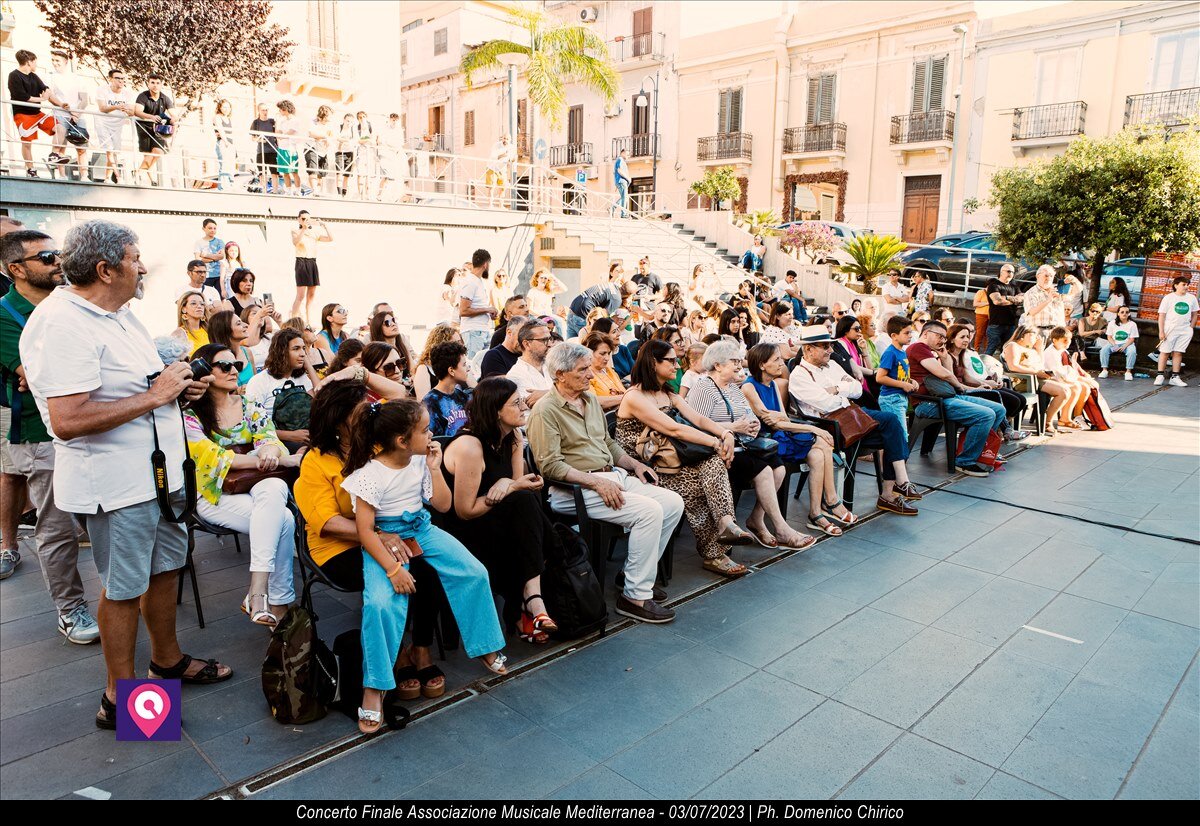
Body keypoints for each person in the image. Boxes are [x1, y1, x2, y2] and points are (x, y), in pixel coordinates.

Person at [19, 220, 232, 731]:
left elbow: (136, 387)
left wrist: (178, 389)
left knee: (163, 572)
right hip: (115, 488)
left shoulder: (118, 314)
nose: (142, 267)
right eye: (135, 258)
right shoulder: (62, 323)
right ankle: (121, 699)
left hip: (155, 478)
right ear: (105, 268)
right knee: (122, 587)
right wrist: (156, 397)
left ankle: (168, 661)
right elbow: (67, 420)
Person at [341, 398, 508, 733]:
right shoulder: (369, 475)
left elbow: (443, 505)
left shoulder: (420, 461)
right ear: (403, 440)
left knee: (474, 573)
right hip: (384, 538)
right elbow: (364, 532)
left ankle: (486, 646)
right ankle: (374, 688)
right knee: (379, 604)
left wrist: (433, 466)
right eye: (424, 429)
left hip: (422, 529)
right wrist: (392, 569)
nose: (432, 433)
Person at [295, 380, 451, 702]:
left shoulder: (377, 447)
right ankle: (396, 657)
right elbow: (327, 522)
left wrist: (363, 373)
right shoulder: (316, 460)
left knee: (427, 566)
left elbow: (405, 405)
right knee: (397, 570)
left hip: (390, 534)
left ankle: (420, 648)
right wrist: (378, 535)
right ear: (339, 419)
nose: (370, 409)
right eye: (361, 407)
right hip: (339, 548)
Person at [527, 343, 685, 623]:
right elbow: (549, 465)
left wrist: (635, 465)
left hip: (610, 475)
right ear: (560, 374)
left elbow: (607, 443)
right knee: (649, 512)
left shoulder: (588, 400)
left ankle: (632, 575)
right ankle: (634, 596)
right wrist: (596, 483)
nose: (591, 375)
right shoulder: (546, 410)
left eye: (589, 367)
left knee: (673, 503)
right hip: (573, 488)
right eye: (583, 369)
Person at [0, 229, 99, 639]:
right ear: (16, 269)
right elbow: (38, 378)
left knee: (103, 518)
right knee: (56, 526)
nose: (58, 261)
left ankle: (123, 599)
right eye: (46, 257)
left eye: (59, 253)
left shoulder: (72, 300)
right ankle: (70, 609)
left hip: (94, 422)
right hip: (40, 433)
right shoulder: (4, 315)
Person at [615, 340, 758, 576]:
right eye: (670, 360)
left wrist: (725, 432)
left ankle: (726, 523)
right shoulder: (634, 396)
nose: (676, 364)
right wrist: (715, 442)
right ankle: (714, 554)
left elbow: (698, 419)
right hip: (642, 468)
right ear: (653, 363)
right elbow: (674, 429)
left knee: (712, 463)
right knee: (697, 485)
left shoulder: (667, 394)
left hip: (671, 461)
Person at [183, 342, 302, 626]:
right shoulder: (189, 414)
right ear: (203, 372)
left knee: (274, 489)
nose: (234, 370)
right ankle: (279, 603)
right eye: (224, 366)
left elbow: (270, 439)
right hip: (213, 494)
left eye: (236, 365)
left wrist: (272, 453)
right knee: (283, 519)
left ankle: (258, 593)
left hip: (256, 484)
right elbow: (214, 459)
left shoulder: (249, 404)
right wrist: (275, 460)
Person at [441, 377, 560, 639]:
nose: (524, 407)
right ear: (496, 410)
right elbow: (465, 511)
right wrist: (512, 486)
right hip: (463, 529)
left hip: (500, 520)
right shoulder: (470, 447)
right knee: (546, 536)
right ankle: (529, 604)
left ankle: (527, 604)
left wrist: (514, 484)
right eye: (516, 403)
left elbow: (516, 490)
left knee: (528, 505)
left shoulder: (513, 436)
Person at [685, 339, 814, 550]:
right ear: (717, 365)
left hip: (740, 446)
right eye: (734, 361)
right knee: (763, 471)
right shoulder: (703, 388)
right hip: (714, 451)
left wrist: (752, 425)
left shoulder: (734, 389)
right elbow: (696, 426)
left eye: (739, 360)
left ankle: (756, 519)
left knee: (778, 468)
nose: (739, 365)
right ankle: (782, 529)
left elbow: (749, 416)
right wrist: (735, 427)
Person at [789, 326, 921, 514]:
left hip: (851, 417)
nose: (830, 350)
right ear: (808, 349)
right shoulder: (799, 375)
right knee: (892, 427)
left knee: (893, 430)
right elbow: (826, 404)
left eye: (830, 345)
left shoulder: (832, 365)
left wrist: (836, 389)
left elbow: (857, 389)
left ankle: (895, 489)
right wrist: (844, 390)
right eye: (825, 346)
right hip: (830, 429)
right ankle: (892, 491)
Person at [742, 342, 856, 536]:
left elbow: (781, 419)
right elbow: (773, 422)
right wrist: (812, 428)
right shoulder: (749, 387)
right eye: (776, 360)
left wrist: (780, 419)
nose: (782, 363)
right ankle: (830, 502)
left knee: (821, 451)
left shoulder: (774, 386)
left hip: (781, 434)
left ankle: (817, 511)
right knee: (822, 439)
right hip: (766, 441)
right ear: (762, 364)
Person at [908, 320, 1009, 474]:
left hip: (946, 397)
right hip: (929, 403)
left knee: (998, 409)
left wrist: (945, 359)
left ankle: (978, 452)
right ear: (926, 333)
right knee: (986, 415)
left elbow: (949, 374)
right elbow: (944, 375)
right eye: (939, 336)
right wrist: (960, 387)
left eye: (944, 337)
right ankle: (964, 461)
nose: (942, 340)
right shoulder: (918, 347)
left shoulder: (932, 352)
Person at [944, 323, 1028, 441]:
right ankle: (1005, 431)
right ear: (952, 339)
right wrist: (979, 388)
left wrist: (984, 384)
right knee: (995, 395)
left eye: (967, 337)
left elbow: (967, 377)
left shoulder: (962, 354)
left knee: (1020, 399)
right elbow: (952, 381)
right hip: (960, 392)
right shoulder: (947, 356)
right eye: (962, 337)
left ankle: (998, 430)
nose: (966, 340)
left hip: (968, 387)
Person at [7, 49, 75, 177]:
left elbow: (47, 92)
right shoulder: (14, 75)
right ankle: (30, 169)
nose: (36, 65)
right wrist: (42, 99)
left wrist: (61, 104)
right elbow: (23, 97)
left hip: (37, 113)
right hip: (22, 114)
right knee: (27, 142)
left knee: (60, 128)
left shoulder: (34, 76)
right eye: (35, 62)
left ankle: (54, 155)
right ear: (29, 62)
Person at [245, 327, 321, 438]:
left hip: (306, 432)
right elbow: (253, 425)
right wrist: (289, 436)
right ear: (282, 352)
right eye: (296, 349)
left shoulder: (301, 377)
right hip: (276, 438)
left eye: (303, 348)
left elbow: (320, 398)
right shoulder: (259, 381)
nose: (302, 353)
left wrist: (308, 366)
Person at [1003, 325, 1072, 434]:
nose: (1035, 338)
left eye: (1036, 335)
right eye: (1032, 335)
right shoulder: (1013, 346)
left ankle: (1048, 419)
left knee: (1068, 388)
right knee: (1063, 392)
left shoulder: (1030, 349)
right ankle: (1047, 421)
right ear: (1022, 335)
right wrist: (1035, 372)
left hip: (1036, 378)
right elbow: (1013, 366)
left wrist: (1039, 350)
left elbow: (1040, 365)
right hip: (1023, 381)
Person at [874, 316, 919, 443]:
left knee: (898, 435)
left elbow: (900, 374)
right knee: (900, 436)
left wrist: (910, 381)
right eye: (906, 333)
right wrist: (902, 385)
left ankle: (893, 461)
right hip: (891, 398)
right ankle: (897, 462)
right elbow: (880, 377)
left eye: (911, 332)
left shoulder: (902, 352)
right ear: (894, 335)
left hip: (900, 397)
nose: (910, 335)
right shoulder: (890, 353)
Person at [47, 51, 88, 176]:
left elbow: (84, 99)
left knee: (81, 147)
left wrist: (76, 114)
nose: (55, 63)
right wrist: (61, 105)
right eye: (53, 60)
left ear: (65, 61)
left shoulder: (76, 78)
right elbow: (50, 96)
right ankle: (62, 175)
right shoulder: (51, 76)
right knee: (61, 147)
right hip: (61, 114)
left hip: (78, 115)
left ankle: (84, 176)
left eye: (57, 60)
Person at [93, 68, 136, 184]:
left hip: (118, 124)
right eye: (117, 78)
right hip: (103, 122)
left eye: (122, 79)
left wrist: (127, 109)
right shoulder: (102, 90)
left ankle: (107, 178)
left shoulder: (128, 93)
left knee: (114, 151)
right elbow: (102, 108)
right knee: (109, 149)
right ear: (111, 79)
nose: (121, 81)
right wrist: (116, 107)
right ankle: (118, 176)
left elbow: (132, 112)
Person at [133, 73, 176, 185]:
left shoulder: (165, 98)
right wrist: (151, 117)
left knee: (158, 151)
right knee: (147, 155)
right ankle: (147, 177)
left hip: (158, 129)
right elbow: (137, 111)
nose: (155, 85)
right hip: (144, 127)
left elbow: (174, 115)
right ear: (148, 84)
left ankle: (139, 172)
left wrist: (173, 120)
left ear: (161, 85)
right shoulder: (143, 96)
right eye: (152, 82)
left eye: (158, 83)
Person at [422, 341, 472, 437]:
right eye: (464, 364)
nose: (468, 369)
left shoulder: (463, 397)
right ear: (451, 370)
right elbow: (431, 439)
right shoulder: (430, 403)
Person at [1155, 275, 1197, 387]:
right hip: (1170, 329)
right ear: (1176, 285)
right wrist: (1161, 331)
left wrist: (1190, 328)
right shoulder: (1168, 298)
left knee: (1178, 352)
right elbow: (1161, 316)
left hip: (1184, 330)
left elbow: (1194, 314)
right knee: (1165, 352)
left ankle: (1175, 377)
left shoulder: (1191, 298)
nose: (1186, 287)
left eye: (1187, 284)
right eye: (1184, 284)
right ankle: (1160, 375)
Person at [1042, 327, 1090, 425]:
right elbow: (1058, 372)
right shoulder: (1051, 352)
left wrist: (1081, 376)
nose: (1067, 343)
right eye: (1064, 340)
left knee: (1085, 387)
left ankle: (1076, 416)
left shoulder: (1062, 349)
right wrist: (1077, 378)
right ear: (1054, 340)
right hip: (1051, 377)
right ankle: (1065, 418)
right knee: (1076, 386)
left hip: (1061, 377)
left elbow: (1069, 367)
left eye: (1069, 340)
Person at [291, 210, 332, 323]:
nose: (305, 221)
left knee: (311, 296)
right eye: (303, 219)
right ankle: (293, 320)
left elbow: (330, 238)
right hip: (301, 262)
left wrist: (325, 226)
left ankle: (309, 321)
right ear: (299, 219)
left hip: (312, 262)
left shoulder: (314, 233)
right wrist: (304, 229)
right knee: (300, 295)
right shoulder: (295, 231)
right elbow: (295, 242)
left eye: (307, 219)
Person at [567, 262, 625, 338]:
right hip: (582, 313)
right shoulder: (612, 292)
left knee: (572, 344)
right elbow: (604, 316)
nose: (619, 274)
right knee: (587, 344)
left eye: (621, 272)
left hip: (574, 310)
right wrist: (612, 320)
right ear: (611, 273)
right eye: (617, 271)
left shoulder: (613, 288)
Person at [459, 249, 498, 359]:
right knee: (472, 366)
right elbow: (463, 311)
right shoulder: (470, 282)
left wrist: (489, 312)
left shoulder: (478, 281)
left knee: (482, 367)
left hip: (482, 331)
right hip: (473, 332)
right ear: (486, 264)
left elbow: (476, 307)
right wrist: (487, 310)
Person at [207, 309, 261, 386]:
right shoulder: (216, 359)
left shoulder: (247, 352)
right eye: (238, 324)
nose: (246, 325)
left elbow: (257, 382)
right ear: (225, 330)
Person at [413, 323, 466, 400]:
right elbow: (423, 403)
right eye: (455, 343)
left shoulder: (461, 365)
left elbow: (475, 390)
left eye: (460, 342)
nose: (460, 346)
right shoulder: (424, 368)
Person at [507, 319, 554, 406]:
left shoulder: (553, 365)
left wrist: (547, 394)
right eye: (544, 340)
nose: (550, 344)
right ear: (527, 344)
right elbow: (537, 408)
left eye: (550, 338)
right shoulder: (516, 375)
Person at [584, 331, 626, 411]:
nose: (607, 358)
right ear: (589, 353)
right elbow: (594, 402)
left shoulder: (609, 370)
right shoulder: (585, 375)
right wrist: (627, 397)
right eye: (602, 354)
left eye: (608, 353)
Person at [1023, 264, 1066, 340]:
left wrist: (1074, 281)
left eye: (1051, 276)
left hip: (1057, 332)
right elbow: (1032, 312)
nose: (1049, 278)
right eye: (1046, 275)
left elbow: (1076, 292)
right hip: (1039, 332)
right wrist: (1048, 300)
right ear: (1038, 276)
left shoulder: (1056, 291)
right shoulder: (1031, 293)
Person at [480, 315, 526, 379]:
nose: (525, 341)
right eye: (522, 335)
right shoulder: (494, 356)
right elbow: (498, 386)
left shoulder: (526, 354)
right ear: (509, 332)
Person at [1099, 305, 1139, 380]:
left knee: (1132, 352)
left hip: (1127, 344)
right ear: (1118, 313)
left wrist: (1124, 346)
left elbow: (1132, 339)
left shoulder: (1132, 324)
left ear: (1129, 314)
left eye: (1127, 312)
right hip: (1114, 343)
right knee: (1104, 350)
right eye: (1122, 312)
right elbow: (1109, 337)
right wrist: (1115, 345)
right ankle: (1104, 370)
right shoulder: (1112, 323)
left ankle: (1128, 372)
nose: (1124, 314)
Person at [274, 100, 304, 195]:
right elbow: (277, 133)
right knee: (284, 172)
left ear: (284, 109)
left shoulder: (295, 120)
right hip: (282, 148)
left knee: (294, 172)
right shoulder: (281, 120)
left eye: (280, 109)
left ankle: (298, 190)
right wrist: (278, 124)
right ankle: (288, 190)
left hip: (291, 149)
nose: (279, 111)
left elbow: (291, 132)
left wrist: (282, 135)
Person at [250, 102, 280, 194]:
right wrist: (260, 140)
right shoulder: (256, 122)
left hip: (273, 151)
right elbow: (253, 138)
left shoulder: (272, 121)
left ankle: (275, 192)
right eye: (263, 110)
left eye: (266, 110)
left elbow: (278, 135)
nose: (265, 112)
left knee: (275, 173)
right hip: (261, 151)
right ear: (259, 111)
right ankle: (264, 191)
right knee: (262, 173)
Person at [303, 105, 334, 195]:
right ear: (325, 114)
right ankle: (314, 190)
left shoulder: (329, 125)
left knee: (321, 173)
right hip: (311, 148)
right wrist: (324, 136)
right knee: (313, 170)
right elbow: (312, 133)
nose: (332, 117)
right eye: (330, 114)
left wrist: (327, 138)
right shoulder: (314, 121)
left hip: (323, 151)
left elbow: (331, 136)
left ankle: (319, 191)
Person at [193, 218, 224, 292]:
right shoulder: (199, 243)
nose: (213, 230)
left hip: (218, 275)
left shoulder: (219, 242)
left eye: (214, 228)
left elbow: (221, 256)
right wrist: (214, 258)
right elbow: (197, 259)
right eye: (210, 228)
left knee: (220, 298)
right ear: (203, 229)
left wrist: (205, 255)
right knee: (205, 297)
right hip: (205, 275)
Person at [485, 134, 515, 208]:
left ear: (510, 140)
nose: (505, 140)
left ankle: (501, 206)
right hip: (492, 167)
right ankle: (490, 205)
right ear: (502, 139)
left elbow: (511, 158)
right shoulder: (496, 145)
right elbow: (494, 156)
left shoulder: (511, 147)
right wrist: (504, 155)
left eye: (507, 139)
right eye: (504, 138)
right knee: (491, 187)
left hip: (502, 169)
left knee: (502, 188)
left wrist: (512, 159)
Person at [212, 98, 236, 190]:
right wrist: (226, 141)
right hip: (223, 143)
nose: (226, 109)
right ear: (220, 108)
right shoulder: (217, 117)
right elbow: (220, 130)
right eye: (224, 107)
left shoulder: (228, 118)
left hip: (231, 143)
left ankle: (230, 185)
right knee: (224, 165)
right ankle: (223, 187)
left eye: (228, 107)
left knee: (231, 165)